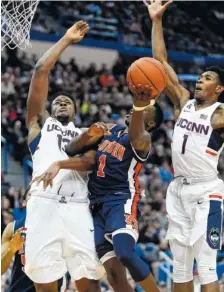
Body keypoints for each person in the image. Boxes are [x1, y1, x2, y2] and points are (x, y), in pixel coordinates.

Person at [32, 85, 164, 292]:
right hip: (94, 205)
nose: (133, 110)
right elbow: (70, 149)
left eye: (142, 110)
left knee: (126, 254)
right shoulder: (110, 129)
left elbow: (137, 134)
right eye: (134, 107)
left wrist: (140, 105)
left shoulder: (144, 139)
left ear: (149, 122)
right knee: (112, 271)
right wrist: (88, 136)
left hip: (120, 201)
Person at [144, 0, 224, 291]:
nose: (200, 81)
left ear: (219, 89)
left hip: (207, 190)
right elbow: (159, 65)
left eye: (208, 79)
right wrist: (156, 21)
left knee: (205, 264)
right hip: (178, 189)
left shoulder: (220, 114)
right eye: (200, 77)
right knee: (180, 266)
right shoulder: (183, 103)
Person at [25, 20, 104, 292]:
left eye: (67, 101)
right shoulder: (39, 125)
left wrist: (60, 164)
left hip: (77, 205)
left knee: (88, 281)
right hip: (43, 203)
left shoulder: (85, 133)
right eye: (56, 100)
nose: (61, 102)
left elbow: (91, 162)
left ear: (75, 110)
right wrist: (66, 40)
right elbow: (40, 70)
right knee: (44, 281)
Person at [1, 190, 65, 292]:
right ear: (24, 202)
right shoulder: (12, 228)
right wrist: (11, 248)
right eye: (32, 195)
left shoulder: (59, 229)